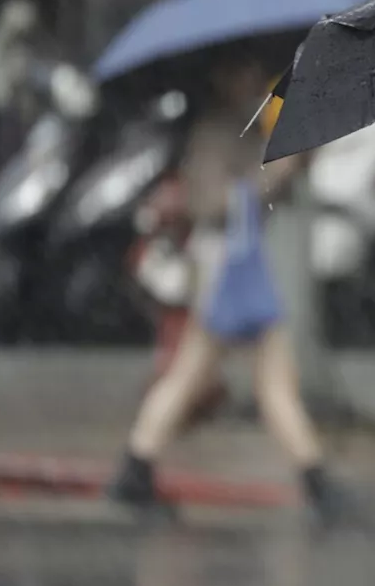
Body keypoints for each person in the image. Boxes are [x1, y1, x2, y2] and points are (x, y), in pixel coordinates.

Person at [106, 51, 354, 524]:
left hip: (236, 269)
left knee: (222, 377)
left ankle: (136, 470)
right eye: (243, 72)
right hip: (224, 271)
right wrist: (280, 171)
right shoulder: (216, 131)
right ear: (223, 78)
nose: (254, 80)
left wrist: (293, 162)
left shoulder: (245, 125)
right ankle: (318, 483)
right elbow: (212, 201)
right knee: (242, 378)